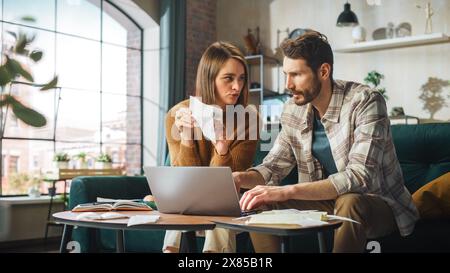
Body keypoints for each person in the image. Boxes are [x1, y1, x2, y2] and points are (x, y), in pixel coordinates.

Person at [232, 31, 419, 253]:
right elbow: (273, 166)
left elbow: (359, 176)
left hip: (377, 203)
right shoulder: (293, 109)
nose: (288, 85)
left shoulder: (365, 101)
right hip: (326, 202)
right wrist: (240, 178)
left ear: (323, 71)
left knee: (350, 202)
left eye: (296, 75)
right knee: (258, 201)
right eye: (285, 75)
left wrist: (286, 191)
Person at [160, 41, 259, 253]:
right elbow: (185, 179)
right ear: (209, 79)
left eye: (241, 79)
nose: (237, 87)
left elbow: (226, 183)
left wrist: (222, 148)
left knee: (219, 205)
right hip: (187, 198)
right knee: (181, 202)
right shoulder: (176, 115)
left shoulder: (249, 119)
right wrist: (187, 139)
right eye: (228, 78)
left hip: (227, 199)